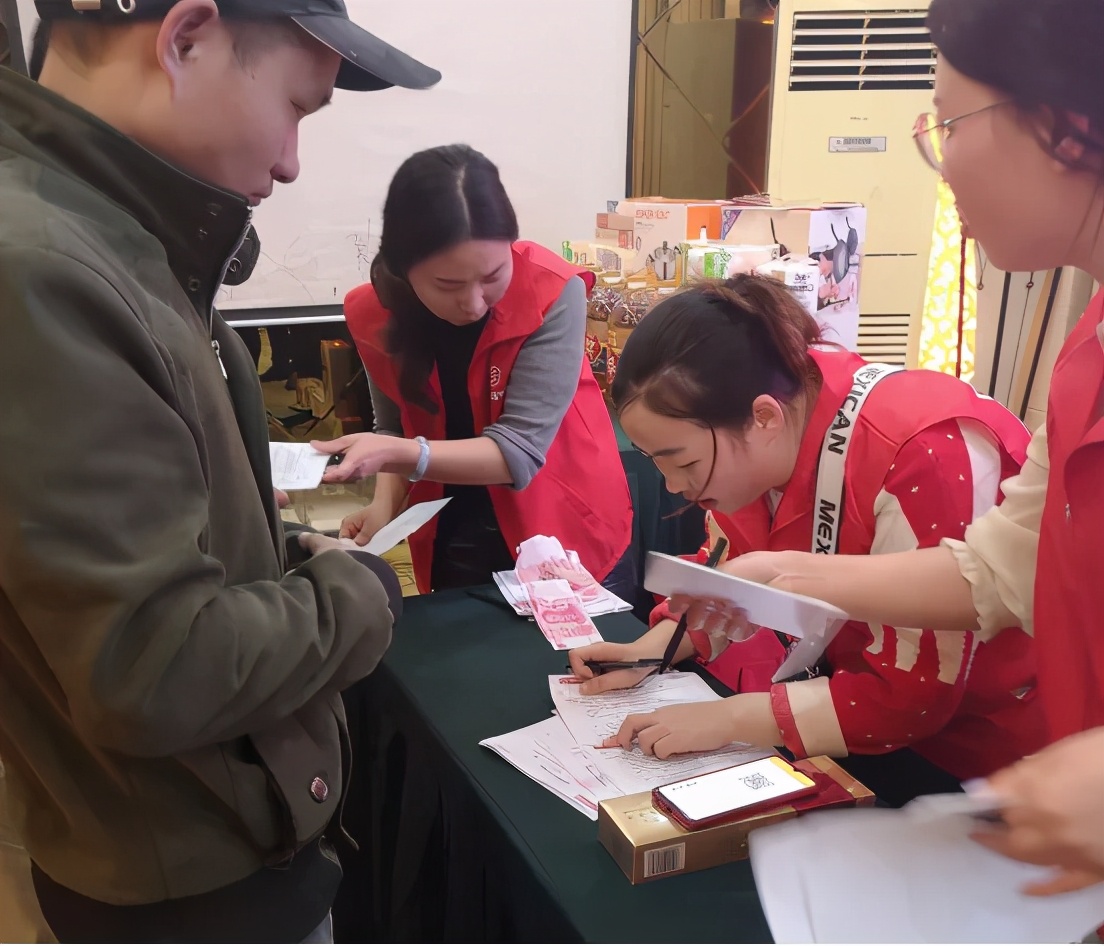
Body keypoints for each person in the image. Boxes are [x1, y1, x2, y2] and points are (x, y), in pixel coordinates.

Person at [0, 0, 441, 940]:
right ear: (184, 37)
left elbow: (166, 532)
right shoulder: (45, 271)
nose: (289, 162)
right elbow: (150, 663)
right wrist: (354, 597)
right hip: (187, 881)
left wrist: (282, 547)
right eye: (295, 107)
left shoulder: (116, 244)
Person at [650, 0, 1104, 895]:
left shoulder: (918, 438)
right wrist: (795, 576)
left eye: (948, 125)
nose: (938, 165)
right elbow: (1000, 570)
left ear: (1063, 124)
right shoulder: (1084, 344)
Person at [569, 274, 1047, 803]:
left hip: (988, 763)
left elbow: (914, 690)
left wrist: (730, 717)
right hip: (859, 726)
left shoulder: (922, 452)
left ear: (764, 416)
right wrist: (649, 653)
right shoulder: (770, 429)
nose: (673, 486)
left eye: (682, 461)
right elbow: (733, 580)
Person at [313, 145, 635, 596]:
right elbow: (394, 427)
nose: (473, 303)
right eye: (448, 284)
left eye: (492, 276)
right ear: (404, 270)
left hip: (561, 517)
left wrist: (402, 455)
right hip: (451, 518)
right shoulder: (374, 314)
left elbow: (518, 452)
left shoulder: (551, 292)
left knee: (575, 660)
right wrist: (384, 505)